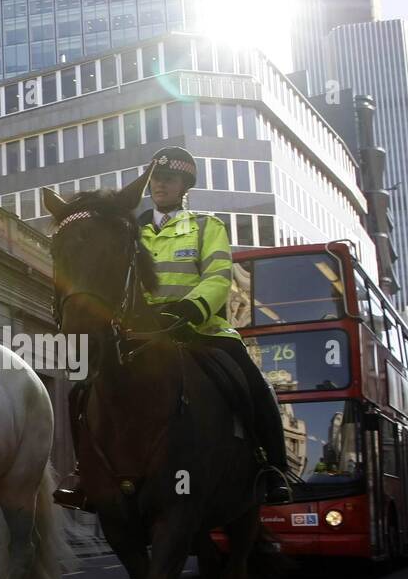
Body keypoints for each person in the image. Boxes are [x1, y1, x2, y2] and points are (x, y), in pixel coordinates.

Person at [54, 146, 291, 509]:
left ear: (184, 186)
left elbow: (218, 277)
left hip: (201, 330)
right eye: (156, 179)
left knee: (252, 382)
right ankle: (84, 471)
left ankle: (273, 466)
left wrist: (189, 308)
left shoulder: (205, 226)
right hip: (141, 333)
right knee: (83, 388)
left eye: (169, 179)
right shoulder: (131, 231)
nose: (160, 185)